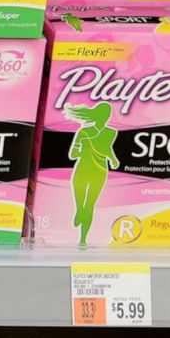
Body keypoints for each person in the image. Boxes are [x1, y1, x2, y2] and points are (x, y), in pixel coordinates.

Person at [64, 102, 120, 246]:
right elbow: (72, 154)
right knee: (82, 204)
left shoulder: (111, 132)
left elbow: (107, 149)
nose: (106, 117)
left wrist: (113, 160)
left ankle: (83, 239)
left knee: (90, 205)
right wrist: (82, 147)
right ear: (97, 115)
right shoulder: (83, 132)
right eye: (104, 114)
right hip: (82, 169)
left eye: (108, 115)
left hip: (100, 171)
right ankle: (79, 211)